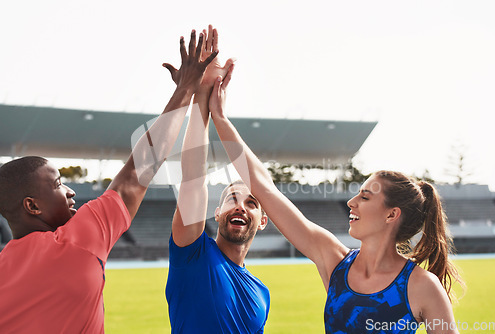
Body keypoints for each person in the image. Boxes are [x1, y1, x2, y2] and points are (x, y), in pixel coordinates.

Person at [208, 68, 465, 333]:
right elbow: (265, 189)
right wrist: (219, 118)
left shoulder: (422, 286)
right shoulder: (334, 260)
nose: (351, 202)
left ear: (391, 214)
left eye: (365, 196)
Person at [0, 29, 217, 333]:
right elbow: (140, 168)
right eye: (58, 183)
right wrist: (186, 88)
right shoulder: (78, 240)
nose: (70, 190)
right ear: (32, 206)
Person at [164, 25, 271, 334]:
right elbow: (193, 178)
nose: (240, 206)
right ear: (217, 213)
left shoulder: (261, 293)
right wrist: (202, 98)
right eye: (231, 199)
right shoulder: (192, 254)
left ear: (262, 220)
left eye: (251, 203)